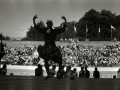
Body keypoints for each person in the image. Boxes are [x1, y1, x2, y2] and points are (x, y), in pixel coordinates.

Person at [33, 15, 67, 79]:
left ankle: (60, 71)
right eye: (47, 24)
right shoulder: (45, 30)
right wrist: (33, 20)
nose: (48, 25)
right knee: (46, 60)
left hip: (51, 46)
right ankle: (49, 73)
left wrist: (65, 21)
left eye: (49, 24)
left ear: (51, 25)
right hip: (48, 46)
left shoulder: (54, 30)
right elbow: (37, 28)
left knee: (59, 57)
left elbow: (63, 29)